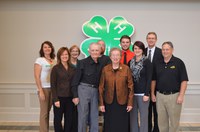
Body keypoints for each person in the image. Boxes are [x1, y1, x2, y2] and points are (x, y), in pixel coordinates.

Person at [151, 41, 188, 132]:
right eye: (163, 49)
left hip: (174, 96)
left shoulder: (179, 63)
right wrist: (152, 93)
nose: (165, 51)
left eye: (167, 49)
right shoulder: (157, 63)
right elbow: (153, 80)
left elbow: (184, 80)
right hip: (160, 96)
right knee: (161, 122)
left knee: (174, 123)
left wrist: (181, 95)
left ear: (172, 50)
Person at [71, 43, 108, 132]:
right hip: (83, 90)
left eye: (97, 50)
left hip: (96, 91)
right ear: (89, 51)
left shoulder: (102, 64)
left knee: (94, 115)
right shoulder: (82, 62)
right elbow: (75, 80)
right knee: (83, 115)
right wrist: (75, 96)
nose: (95, 52)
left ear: (100, 51)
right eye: (93, 50)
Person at [99, 48, 134, 132]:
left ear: (120, 56)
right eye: (113, 55)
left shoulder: (126, 69)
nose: (115, 57)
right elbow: (101, 87)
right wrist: (101, 104)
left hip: (122, 102)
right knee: (109, 124)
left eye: (117, 55)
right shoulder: (105, 69)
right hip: (109, 102)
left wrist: (130, 103)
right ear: (110, 57)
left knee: (122, 124)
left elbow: (131, 87)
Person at [129, 41, 153, 132]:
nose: (137, 50)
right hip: (132, 94)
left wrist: (147, 94)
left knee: (143, 118)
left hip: (143, 94)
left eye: (139, 48)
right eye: (135, 48)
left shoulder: (147, 62)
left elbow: (149, 79)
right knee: (133, 117)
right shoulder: (130, 62)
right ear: (133, 49)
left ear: (143, 50)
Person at [51, 47, 75, 132]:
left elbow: (74, 83)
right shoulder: (55, 68)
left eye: (66, 54)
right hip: (59, 98)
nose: (65, 56)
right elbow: (53, 85)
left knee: (69, 119)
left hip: (70, 98)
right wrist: (55, 99)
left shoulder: (73, 68)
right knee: (58, 119)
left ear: (68, 55)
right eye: (62, 54)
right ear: (59, 56)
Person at [34, 41, 56, 132]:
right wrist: (40, 90)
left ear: (52, 48)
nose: (47, 49)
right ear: (42, 49)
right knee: (44, 113)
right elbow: (36, 76)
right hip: (44, 88)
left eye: (49, 47)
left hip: (53, 88)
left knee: (48, 111)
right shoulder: (39, 60)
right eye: (45, 47)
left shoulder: (55, 60)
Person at [145, 32, 163, 132]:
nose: (151, 40)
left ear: (156, 40)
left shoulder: (161, 52)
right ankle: (147, 129)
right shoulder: (142, 51)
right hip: (145, 86)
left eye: (153, 38)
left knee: (157, 111)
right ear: (146, 40)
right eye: (149, 38)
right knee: (146, 111)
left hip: (158, 86)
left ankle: (156, 129)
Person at [69, 45, 81, 132]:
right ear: (70, 52)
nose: (75, 52)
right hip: (68, 91)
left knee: (77, 112)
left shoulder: (81, 63)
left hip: (78, 91)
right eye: (73, 51)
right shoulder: (66, 63)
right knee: (69, 113)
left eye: (76, 51)